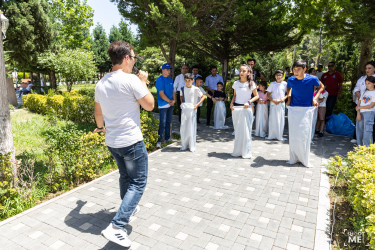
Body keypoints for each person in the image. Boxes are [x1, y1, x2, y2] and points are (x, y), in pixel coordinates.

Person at [94, 41, 154, 248]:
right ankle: (117, 226)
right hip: (131, 141)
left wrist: (101, 127)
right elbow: (149, 105)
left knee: (125, 176)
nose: (134, 61)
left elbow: (98, 114)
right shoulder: (132, 80)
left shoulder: (101, 83)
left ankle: (126, 208)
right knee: (138, 182)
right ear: (126, 58)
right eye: (134, 57)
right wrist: (144, 82)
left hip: (112, 141)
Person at [286, 59, 324, 167]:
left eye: (298, 69)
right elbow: (288, 88)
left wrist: (315, 98)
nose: (295, 71)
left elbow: (322, 87)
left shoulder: (312, 78)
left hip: (307, 109)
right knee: (294, 134)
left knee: (304, 134)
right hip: (294, 108)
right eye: (294, 69)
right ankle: (293, 158)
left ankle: (304, 159)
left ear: (304, 69)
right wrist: (289, 98)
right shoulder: (291, 79)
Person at [230, 64, 259, 158]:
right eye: (240, 71)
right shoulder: (236, 83)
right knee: (238, 131)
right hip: (236, 109)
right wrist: (231, 103)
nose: (241, 73)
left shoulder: (251, 83)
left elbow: (256, 96)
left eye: (244, 71)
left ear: (248, 73)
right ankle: (237, 151)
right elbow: (234, 95)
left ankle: (245, 152)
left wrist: (249, 102)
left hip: (246, 109)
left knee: (246, 131)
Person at [180, 73, 206, 151]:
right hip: (185, 109)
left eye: (189, 81)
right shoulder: (182, 88)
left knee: (191, 127)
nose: (188, 82)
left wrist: (197, 105)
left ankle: (192, 145)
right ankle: (184, 144)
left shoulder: (196, 89)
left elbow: (203, 97)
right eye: (186, 81)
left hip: (192, 109)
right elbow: (181, 96)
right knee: (184, 127)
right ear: (184, 80)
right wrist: (181, 103)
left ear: (193, 80)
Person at [353, 61, 375, 143]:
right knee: (360, 128)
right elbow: (356, 89)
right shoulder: (362, 79)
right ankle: (360, 145)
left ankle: (368, 147)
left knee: (369, 130)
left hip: (370, 109)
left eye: (369, 68)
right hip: (360, 106)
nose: (367, 70)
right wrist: (359, 97)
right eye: (366, 68)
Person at [155, 63, 176, 148]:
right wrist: (170, 101)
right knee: (162, 123)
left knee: (168, 122)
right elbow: (161, 94)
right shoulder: (159, 80)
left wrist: (174, 100)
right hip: (163, 105)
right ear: (162, 70)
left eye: (169, 70)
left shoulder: (170, 80)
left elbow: (173, 91)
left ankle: (167, 138)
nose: (169, 71)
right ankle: (159, 141)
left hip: (170, 104)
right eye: (167, 70)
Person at [266, 70, 288, 141]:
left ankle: (279, 136)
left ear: (282, 76)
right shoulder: (272, 84)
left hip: (281, 103)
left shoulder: (285, 84)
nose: (278, 77)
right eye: (277, 75)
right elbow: (268, 94)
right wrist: (272, 100)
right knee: (273, 119)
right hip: (274, 102)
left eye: (280, 75)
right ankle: (271, 135)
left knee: (280, 119)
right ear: (275, 76)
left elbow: (288, 93)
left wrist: (283, 99)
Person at [355, 76, 375, 146]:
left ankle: (368, 149)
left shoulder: (374, 93)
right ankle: (359, 147)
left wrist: (359, 107)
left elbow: (371, 105)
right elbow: (359, 102)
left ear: (374, 83)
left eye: (369, 83)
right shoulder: (364, 92)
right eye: (366, 83)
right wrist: (358, 113)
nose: (367, 85)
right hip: (360, 113)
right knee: (359, 130)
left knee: (367, 131)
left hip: (369, 113)